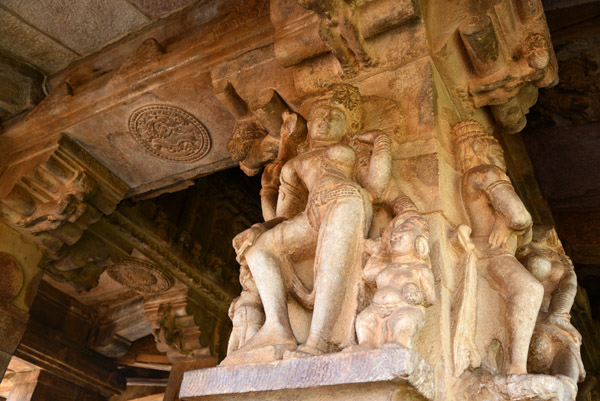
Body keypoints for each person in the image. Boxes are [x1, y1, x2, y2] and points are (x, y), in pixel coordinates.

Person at [225, 84, 390, 362]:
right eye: (320, 117)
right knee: (260, 250)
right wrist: (259, 226)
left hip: (347, 198)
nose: (325, 121)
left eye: (334, 117)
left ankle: (319, 340)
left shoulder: (351, 150)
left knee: (331, 264)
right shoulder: (294, 165)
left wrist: (382, 143)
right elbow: (284, 217)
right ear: (310, 125)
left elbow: (375, 189)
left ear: (348, 127)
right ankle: (278, 328)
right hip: (310, 213)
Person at [452, 120, 543, 375]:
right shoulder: (487, 172)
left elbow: (523, 236)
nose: (501, 153)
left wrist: (511, 225)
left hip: (490, 254)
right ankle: (516, 368)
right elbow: (520, 218)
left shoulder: (474, 177)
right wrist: (508, 222)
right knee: (530, 288)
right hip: (492, 253)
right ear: (479, 147)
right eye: (496, 147)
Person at [355, 200, 435, 350]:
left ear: (419, 240)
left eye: (404, 229)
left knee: (405, 320)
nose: (395, 235)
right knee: (363, 319)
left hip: (403, 308)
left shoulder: (419, 269)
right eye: (393, 232)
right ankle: (366, 344)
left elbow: (430, 297)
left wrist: (418, 296)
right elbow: (367, 275)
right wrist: (377, 253)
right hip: (376, 309)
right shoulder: (386, 266)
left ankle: (400, 342)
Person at [518, 226, 585, 384]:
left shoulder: (563, 265)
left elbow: (568, 287)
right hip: (523, 314)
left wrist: (559, 315)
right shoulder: (522, 250)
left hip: (548, 320)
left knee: (568, 362)